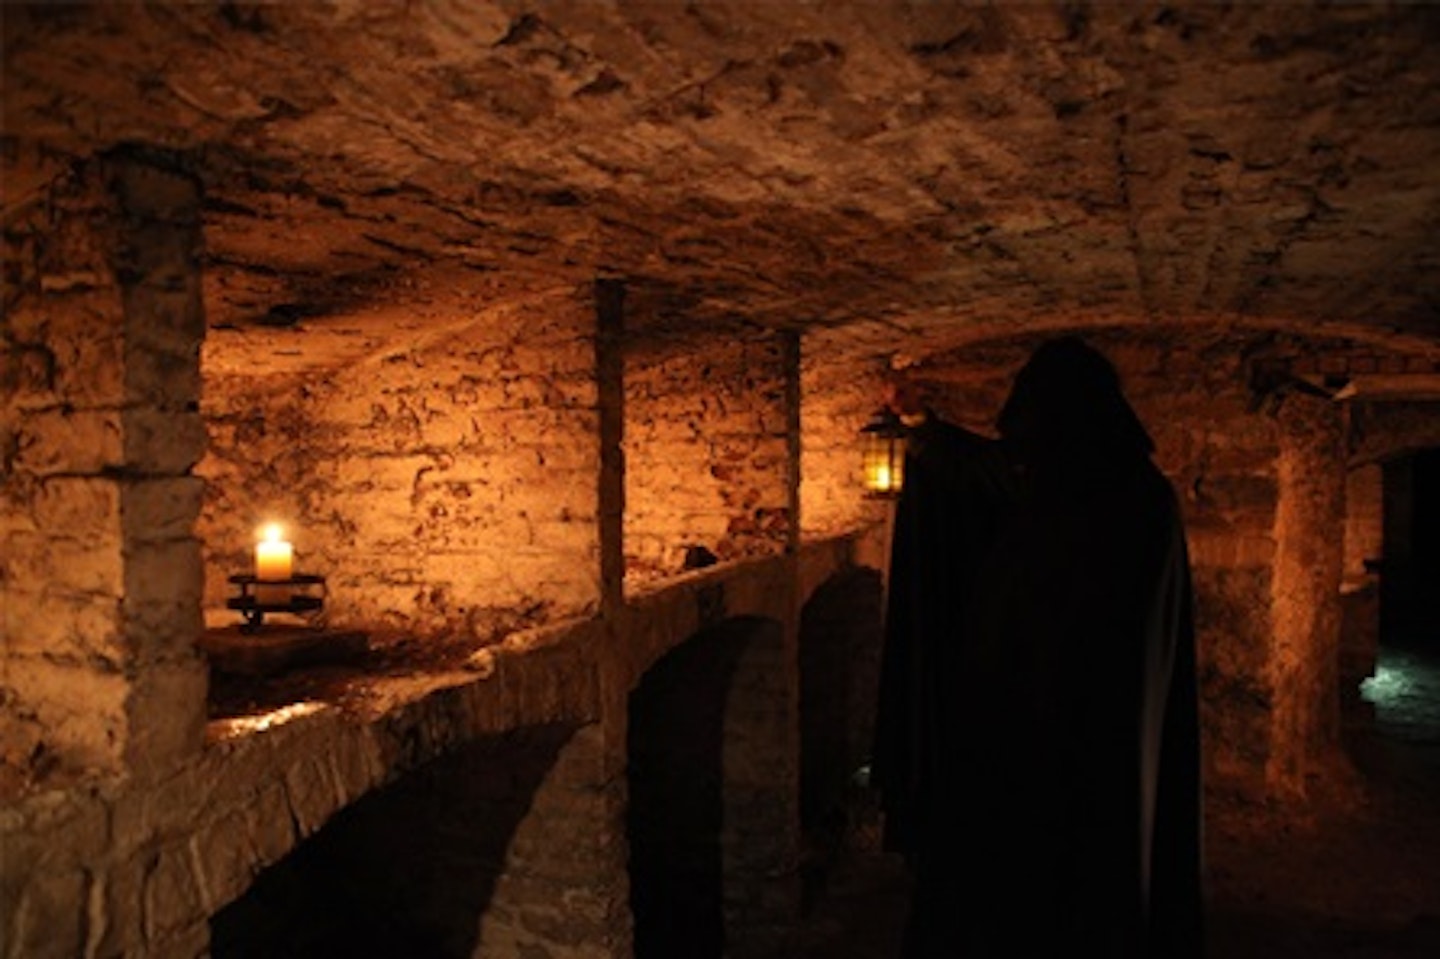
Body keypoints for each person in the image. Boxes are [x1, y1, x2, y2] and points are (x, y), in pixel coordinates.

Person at [872, 337, 1204, 958]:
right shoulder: (1128, 493)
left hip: (1054, 722)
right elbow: (982, 472)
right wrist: (919, 424)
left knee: (1049, 856)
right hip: (1072, 725)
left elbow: (986, 477)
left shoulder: (1098, 495)